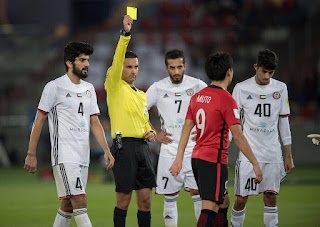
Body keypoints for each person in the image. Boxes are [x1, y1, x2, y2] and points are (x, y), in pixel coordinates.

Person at [24, 41, 115, 227]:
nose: (87, 64)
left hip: (83, 155)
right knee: (80, 202)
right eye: (82, 60)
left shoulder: (89, 89)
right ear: (69, 63)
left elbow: (95, 122)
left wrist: (106, 150)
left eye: (87, 60)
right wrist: (31, 154)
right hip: (65, 155)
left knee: (67, 205)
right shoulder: (54, 87)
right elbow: (39, 120)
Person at [169, 52, 263, 227]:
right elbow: (238, 135)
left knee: (224, 202)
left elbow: (186, 130)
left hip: (197, 159)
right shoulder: (227, 99)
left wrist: (179, 159)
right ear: (229, 72)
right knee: (210, 207)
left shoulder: (197, 97)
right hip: (214, 160)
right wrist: (255, 163)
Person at [230, 49, 295, 227]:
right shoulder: (241, 88)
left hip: (273, 153)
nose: (267, 76)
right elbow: (233, 123)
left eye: (270, 73)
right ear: (255, 67)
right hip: (249, 154)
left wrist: (288, 154)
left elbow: (283, 123)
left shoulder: (280, 88)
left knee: (271, 198)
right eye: (263, 71)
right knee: (241, 199)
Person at [104, 15, 157, 227]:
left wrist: (151, 131)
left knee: (145, 200)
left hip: (143, 148)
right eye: (129, 67)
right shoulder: (114, 85)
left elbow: (144, 121)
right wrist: (125, 35)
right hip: (123, 147)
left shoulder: (141, 94)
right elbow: (118, 59)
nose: (133, 70)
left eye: (135, 67)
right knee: (123, 200)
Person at [146, 49, 207, 227]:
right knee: (170, 198)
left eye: (179, 67)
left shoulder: (198, 85)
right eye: (172, 68)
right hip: (169, 150)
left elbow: (213, 108)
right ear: (166, 68)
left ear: (185, 66)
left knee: (198, 195)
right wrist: (154, 133)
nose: (176, 72)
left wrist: (204, 130)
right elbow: (139, 111)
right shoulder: (157, 87)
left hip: (194, 149)